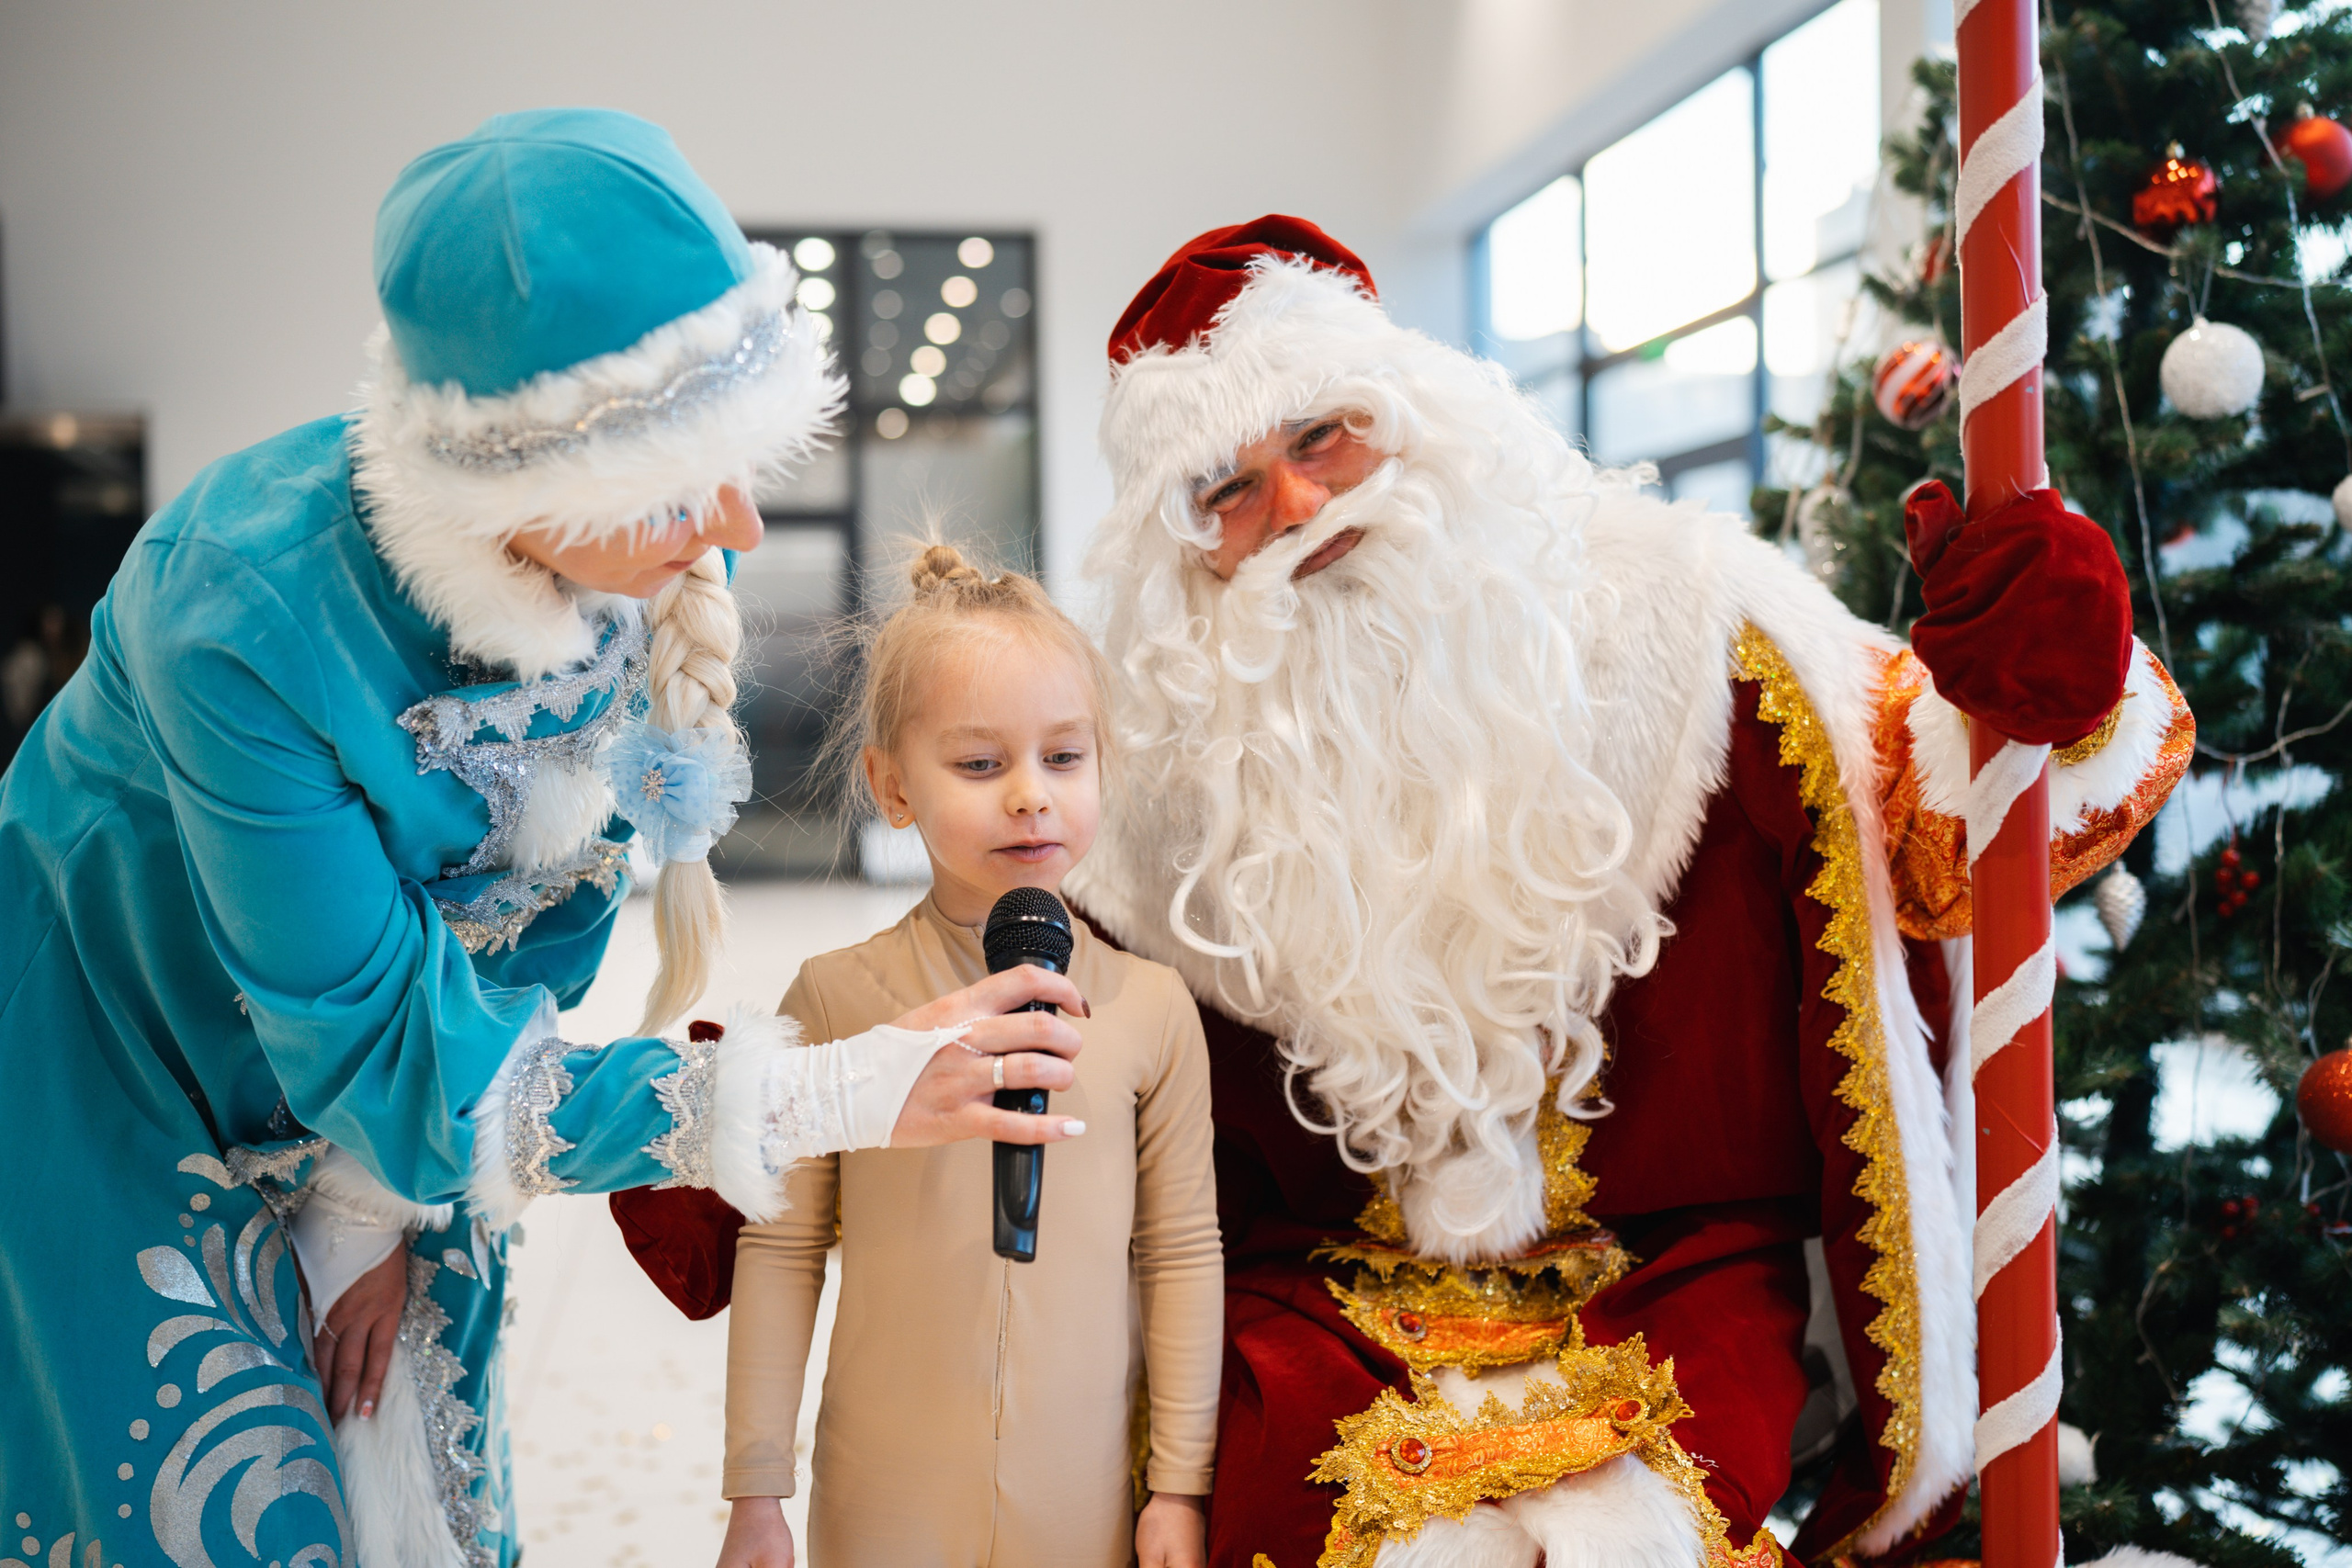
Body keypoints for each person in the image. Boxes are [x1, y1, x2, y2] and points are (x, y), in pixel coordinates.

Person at [0, 109, 1084, 1568]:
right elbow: (388, 1043)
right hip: (126, 1032)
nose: (744, 522)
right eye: (685, 481)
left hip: (391, 1039)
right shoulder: (242, 610)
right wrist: (833, 1089)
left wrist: (377, 1199)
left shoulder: (606, 580)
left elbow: (542, 928)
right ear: (527, 494)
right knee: (214, 1473)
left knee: (421, 1436)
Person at [1061, 218, 2196, 1568]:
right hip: (1311, 1307)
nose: (1299, 509)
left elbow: (1955, 830)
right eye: (1227, 490)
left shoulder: (1696, 623)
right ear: (1180, 548)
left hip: (1670, 1277)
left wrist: (2052, 684)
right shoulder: (1132, 787)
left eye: (1321, 440)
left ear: (1416, 421)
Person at [712, 544, 1223, 1568]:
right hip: (887, 1486)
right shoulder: (837, 997)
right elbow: (781, 1250)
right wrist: (756, 1486)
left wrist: (1180, 1480)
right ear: (892, 786)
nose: (1031, 796)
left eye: (1065, 757)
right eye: (981, 765)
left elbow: (1177, 1251)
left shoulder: (1151, 1006)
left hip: (1086, 1491)